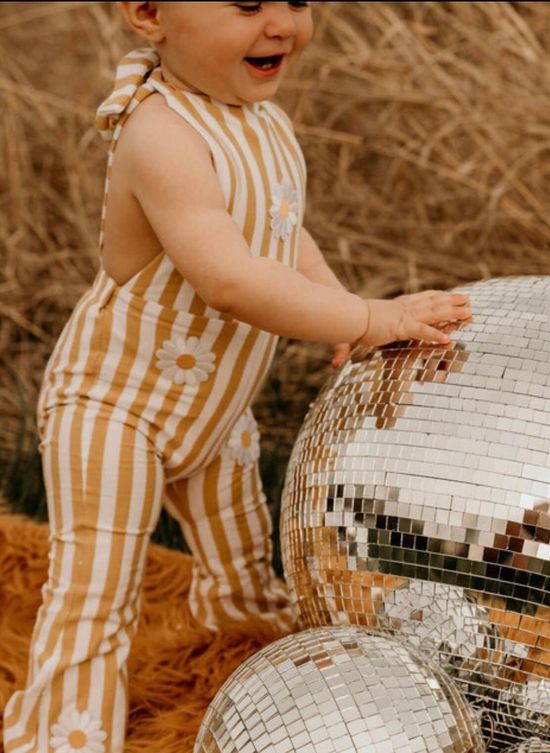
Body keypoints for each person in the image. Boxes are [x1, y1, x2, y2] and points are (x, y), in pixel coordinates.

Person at [2, 3, 472, 751]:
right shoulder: (160, 136)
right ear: (149, 14)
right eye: (248, 4)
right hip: (115, 407)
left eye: (295, 1)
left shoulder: (265, 123)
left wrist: (335, 302)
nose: (282, 24)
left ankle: (242, 674)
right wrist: (362, 317)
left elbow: (281, 233)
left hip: (214, 411)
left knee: (244, 572)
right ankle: (62, 734)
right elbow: (226, 277)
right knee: (97, 590)